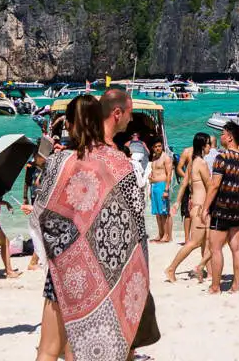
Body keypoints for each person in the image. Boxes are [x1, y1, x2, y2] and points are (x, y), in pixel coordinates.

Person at [35, 89, 157, 361]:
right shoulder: (119, 163)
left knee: (48, 349)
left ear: (70, 124)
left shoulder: (59, 162)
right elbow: (134, 224)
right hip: (109, 272)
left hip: (65, 269)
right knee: (109, 347)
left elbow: (45, 214)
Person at [206, 121, 239, 294]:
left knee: (215, 249)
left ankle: (215, 287)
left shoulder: (222, 158)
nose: (221, 136)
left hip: (222, 207)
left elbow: (215, 185)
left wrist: (205, 208)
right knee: (237, 248)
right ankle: (236, 285)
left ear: (230, 137)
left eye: (223, 133)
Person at [165, 133, 213, 283]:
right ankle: (171, 268)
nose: (210, 147)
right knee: (195, 242)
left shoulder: (193, 162)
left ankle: (209, 273)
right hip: (200, 208)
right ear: (203, 146)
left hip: (196, 207)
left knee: (206, 243)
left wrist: (177, 202)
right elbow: (210, 185)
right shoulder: (202, 163)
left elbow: (185, 182)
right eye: (208, 144)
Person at [149, 140, 173, 243]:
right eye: (156, 146)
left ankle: (167, 235)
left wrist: (166, 190)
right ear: (153, 148)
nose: (158, 148)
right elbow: (154, 171)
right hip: (154, 186)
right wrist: (150, 186)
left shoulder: (166, 158)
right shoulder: (154, 158)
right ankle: (160, 234)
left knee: (164, 213)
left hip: (162, 186)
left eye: (159, 146)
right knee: (157, 213)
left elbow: (169, 175)